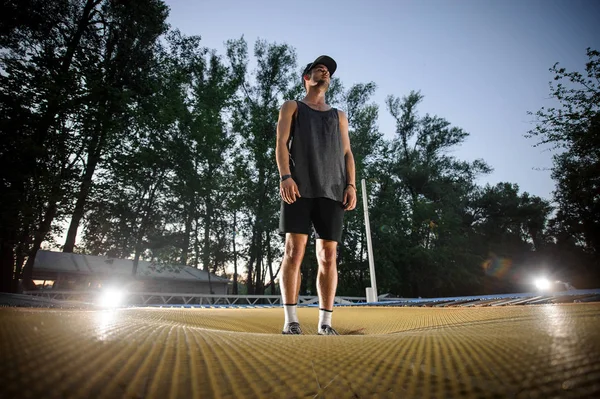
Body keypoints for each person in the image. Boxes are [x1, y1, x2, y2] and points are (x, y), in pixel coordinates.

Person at [275, 55, 357, 335]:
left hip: (333, 191)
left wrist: (351, 185)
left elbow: (347, 153)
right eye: (318, 69)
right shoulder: (292, 107)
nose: (324, 72)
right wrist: (285, 176)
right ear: (306, 78)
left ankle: (325, 324)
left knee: (328, 256)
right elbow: (281, 144)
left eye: (327, 71)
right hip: (299, 188)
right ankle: (291, 321)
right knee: (293, 251)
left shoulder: (339, 115)